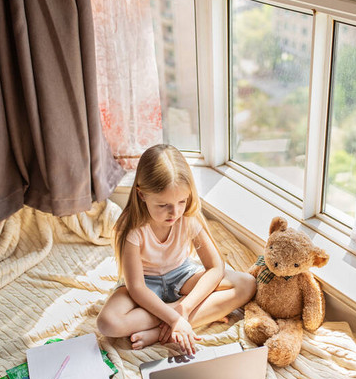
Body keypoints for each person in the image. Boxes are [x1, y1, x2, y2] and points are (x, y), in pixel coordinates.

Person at [96, 144, 256, 355]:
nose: (175, 212)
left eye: (182, 201)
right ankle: (187, 319)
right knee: (108, 323)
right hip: (145, 284)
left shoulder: (187, 216)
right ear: (142, 195)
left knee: (246, 284)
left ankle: (159, 332)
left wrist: (184, 308)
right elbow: (137, 288)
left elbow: (215, 267)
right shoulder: (133, 228)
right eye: (163, 205)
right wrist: (174, 317)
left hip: (182, 275)